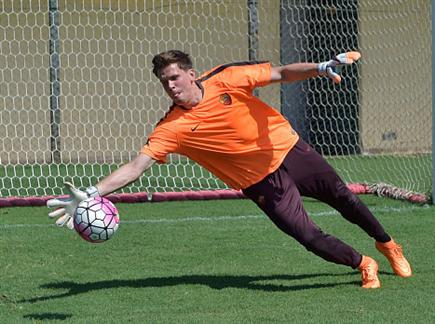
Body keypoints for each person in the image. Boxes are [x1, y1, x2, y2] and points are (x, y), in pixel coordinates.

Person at [47, 50, 412, 289]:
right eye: (164, 82)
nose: (170, 86)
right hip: (260, 183)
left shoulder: (226, 77)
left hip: (287, 149)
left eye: (175, 78)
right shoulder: (170, 128)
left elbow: (282, 72)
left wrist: (319, 68)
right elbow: (136, 166)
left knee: (345, 200)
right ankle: (363, 263)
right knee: (306, 235)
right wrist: (93, 193)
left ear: (192, 75)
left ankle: (388, 245)